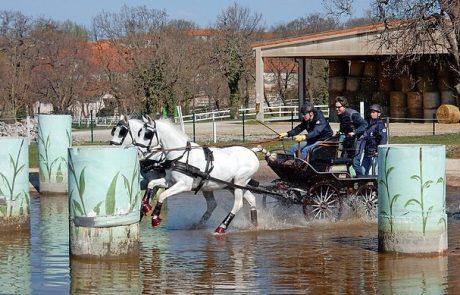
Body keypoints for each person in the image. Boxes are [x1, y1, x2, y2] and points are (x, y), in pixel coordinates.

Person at [335, 96, 368, 177]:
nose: (337, 109)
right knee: (344, 161)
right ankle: (348, 182)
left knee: (354, 162)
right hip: (349, 139)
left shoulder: (353, 114)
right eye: (336, 107)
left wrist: (354, 132)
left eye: (339, 107)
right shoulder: (341, 115)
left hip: (359, 140)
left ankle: (362, 181)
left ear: (344, 106)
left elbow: (364, 124)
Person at [361, 104, 388, 175]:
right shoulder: (367, 123)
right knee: (362, 172)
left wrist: (379, 151)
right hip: (367, 152)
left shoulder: (380, 125)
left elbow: (383, 139)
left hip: (375, 153)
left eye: (373, 112)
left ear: (379, 114)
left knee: (377, 173)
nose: (371, 114)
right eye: (371, 112)